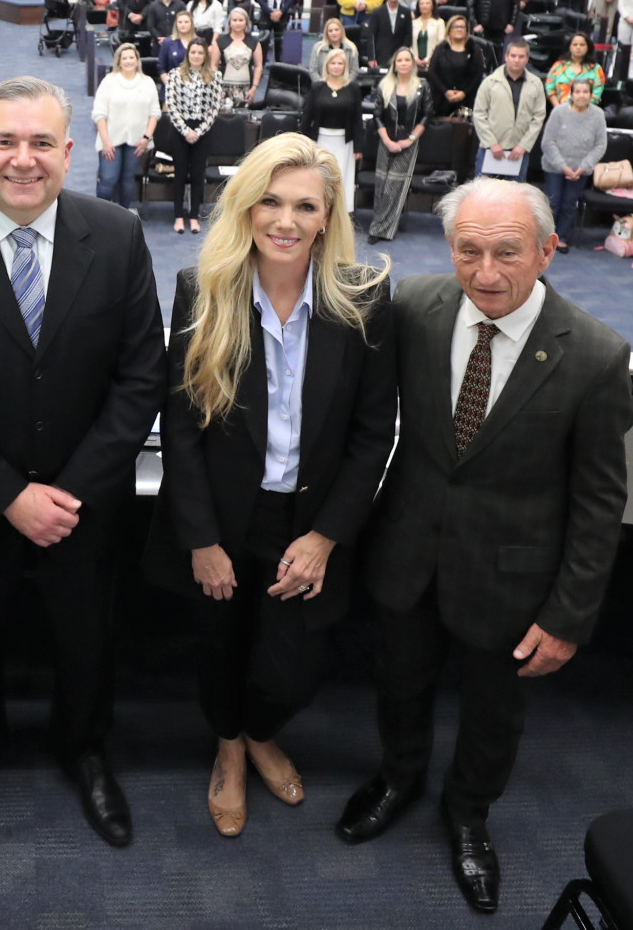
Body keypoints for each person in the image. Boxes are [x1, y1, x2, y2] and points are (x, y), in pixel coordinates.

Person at [337, 178, 633, 915]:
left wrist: (568, 615)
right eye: (467, 252)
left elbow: (599, 498)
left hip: (512, 580)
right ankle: (398, 778)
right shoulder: (415, 309)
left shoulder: (593, 355)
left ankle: (468, 814)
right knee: (398, 680)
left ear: (547, 250)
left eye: (507, 252)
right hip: (407, 553)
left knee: (492, 712)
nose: (486, 273)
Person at [0, 76, 167, 852]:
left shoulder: (115, 235)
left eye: (41, 143)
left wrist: (67, 494)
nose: (22, 160)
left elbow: (142, 375)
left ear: (69, 152)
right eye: (3, 142)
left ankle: (84, 750)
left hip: (86, 507)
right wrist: (9, 496)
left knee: (88, 641)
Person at [144, 132, 393, 839]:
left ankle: (259, 730)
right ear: (247, 208)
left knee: (291, 665)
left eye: (304, 207)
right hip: (224, 515)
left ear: (327, 216)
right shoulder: (205, 288)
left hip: (309, 518)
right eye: (270, 203)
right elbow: (181, 428)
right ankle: (228, 748)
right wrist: (199, 538)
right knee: (219, 643)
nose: (285, 222)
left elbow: (373, 433)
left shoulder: (363, 299)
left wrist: (325, 537)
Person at [163, 38, 224, 234]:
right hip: (180, 129)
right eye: (193, 52)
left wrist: (198, 131)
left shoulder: (215, 76)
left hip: (203, 131)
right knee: (180, 174)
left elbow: (215, 107)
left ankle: (194, 216)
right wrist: (185, 130)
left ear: (205, 55)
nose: (196, 56)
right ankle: (178, 216)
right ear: (187, 54)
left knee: (198, 174)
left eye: (200, 52)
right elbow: (170, 105)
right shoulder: (174, 75)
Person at [538, 78, 608, 253]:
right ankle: (545, 238)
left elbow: (600, 145)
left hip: (580, 171)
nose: (581, 95)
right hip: (555, 167)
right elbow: (548, 142)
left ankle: (562, 237)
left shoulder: (598, 115)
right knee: (552, 203)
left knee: (570, 205)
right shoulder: (559, 112)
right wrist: (563, 166)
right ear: (571, 94)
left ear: (591, 95)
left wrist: (584, 166)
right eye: (578, 91)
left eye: (585, 92)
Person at [369, 47, 430, 243]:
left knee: (394, 186)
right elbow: (377, 116)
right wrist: (387, 141)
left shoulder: (422, 85)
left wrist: (410, 139)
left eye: (407, 60)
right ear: (394, 64)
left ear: (412, 63)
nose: (403, 63)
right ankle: (378, 224)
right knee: (381, 185)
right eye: (399, 60)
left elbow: (427, 115)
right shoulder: (384, 85)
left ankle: (380, 230)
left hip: (409, 142)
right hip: (386, 141)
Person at [92, 42, 161, 209]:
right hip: (110, 140)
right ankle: (99, 213)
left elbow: (155, 113)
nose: (129, 61)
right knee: (108, 179)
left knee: (128, 180)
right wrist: (106, 142)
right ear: (119, 61)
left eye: (132, 57)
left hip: (137, 141)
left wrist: (146, 138)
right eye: (125, 58)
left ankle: (122, 215)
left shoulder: (147, 82)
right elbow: (99, 114)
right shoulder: (109, 81)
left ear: (137, 60)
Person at [471, 38, 546, 180]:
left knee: (514, 195)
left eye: (521, 56)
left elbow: (539, 117)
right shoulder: (490, 82)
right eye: (513, 56)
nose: (517, 60)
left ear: (527, 59)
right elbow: (479, 114)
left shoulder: (535, 84)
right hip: (490, 148)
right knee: (482, 194)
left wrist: (523, 145)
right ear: (506, 56)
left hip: (518, 151)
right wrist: (492, 143)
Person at [301, 48, 363, 211]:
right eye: (333, 63)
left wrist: (359, 146)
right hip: (320, 141)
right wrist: (302, 141)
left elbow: (357, 118)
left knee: (341, 178)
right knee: (319, 177)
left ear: (345, 66)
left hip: (345, 142)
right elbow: (307, 116)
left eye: (340, 63)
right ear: (327, 65)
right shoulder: (317, 87)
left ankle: (340, 213)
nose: (336, 66)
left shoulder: (353, 88)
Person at [542, 31, 604, 106]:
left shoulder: (596, 69)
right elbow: (550, 90)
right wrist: (558, 108)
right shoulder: (558, 66)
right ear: (569, 47)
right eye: (575, 44)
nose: (578, 47)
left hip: (586, 111)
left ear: (588, 47)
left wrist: (581, 109)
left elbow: (596, 94)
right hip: (561, 110)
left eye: (582, 45)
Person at [217, 9, 263, 108]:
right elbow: (213, 66)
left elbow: (258, 66)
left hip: (246, 89)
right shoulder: (220, 41)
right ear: (229, 22)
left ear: (246, 22)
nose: (238, 23)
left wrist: (254, 88)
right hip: (224, 89)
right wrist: (217, 88)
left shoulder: (254, 42)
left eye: (241, 20)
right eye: (234, 20)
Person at [309, 17, 360, 83]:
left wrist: (344, 84)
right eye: (330, 31)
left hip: (344, 87)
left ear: (341, 31)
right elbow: (313, 71)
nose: (334, 33)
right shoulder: (318, 48)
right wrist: (323, 85)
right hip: (322, 87)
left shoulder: (352, 48)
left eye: (336, 30)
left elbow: (354, 70)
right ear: (326, 33)